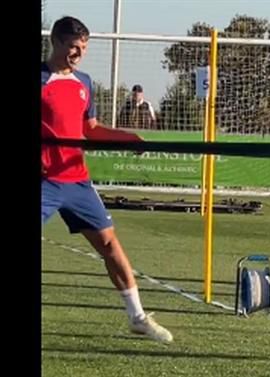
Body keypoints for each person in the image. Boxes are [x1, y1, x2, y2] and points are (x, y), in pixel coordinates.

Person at [41, 16, 173, 343]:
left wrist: (128, 138)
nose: (78, 53)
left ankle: (138, 317)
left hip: (77, 181)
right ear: (55, 42)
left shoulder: (84, 81)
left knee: (111, 246)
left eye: (83, 48)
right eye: (73, 46)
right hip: (44, 180)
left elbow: (91, 129)